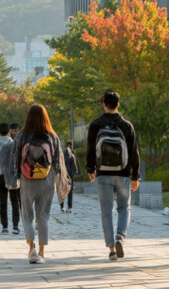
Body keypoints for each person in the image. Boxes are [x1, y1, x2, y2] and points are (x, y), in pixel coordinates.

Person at [86, 90, 141, 262]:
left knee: (106, 211)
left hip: (103, 174)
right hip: (123, 174)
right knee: (124, 207)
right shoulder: (126, 125)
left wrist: (91, 169)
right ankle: (120, 237)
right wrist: (135, 176)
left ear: (104, 103)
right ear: (118, 104)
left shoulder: (95, 124)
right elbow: (134, 153)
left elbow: (90, 149)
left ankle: (111, 249)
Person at [12, 104, 62, 264]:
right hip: (47, 179)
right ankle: (42, 251)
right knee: (44, 216)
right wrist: (60, 179)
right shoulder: (52, 136)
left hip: (27, 179)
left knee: (27, 215)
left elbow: (15, 158)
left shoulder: (21, 136)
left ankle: (31, 248)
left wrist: (15, 178)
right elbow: (57, 161)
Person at [60, 141, 78, 213]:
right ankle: (69, 206)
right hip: (69, 176)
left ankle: (62, 206)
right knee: (69, 191)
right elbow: (75, 167)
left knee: (63, 190)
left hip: (64, 175)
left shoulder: (63, 155)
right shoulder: (72, 155)